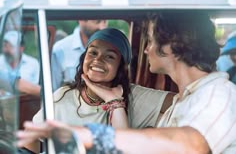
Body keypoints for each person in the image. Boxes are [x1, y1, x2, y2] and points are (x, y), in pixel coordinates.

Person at [17, 11, 236, 154]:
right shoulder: (185, 100)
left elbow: (191, 145)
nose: (147, 49)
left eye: (150, 40)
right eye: (92, 53)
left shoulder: (218, 93)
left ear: (172, 45)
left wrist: (86, 134)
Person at [51, 20, 107, 91]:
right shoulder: (59, 50)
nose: (102, 27)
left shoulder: (112, 47)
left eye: (105, 21)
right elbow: (52, 92)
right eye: (97, 22)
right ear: (81, 20)